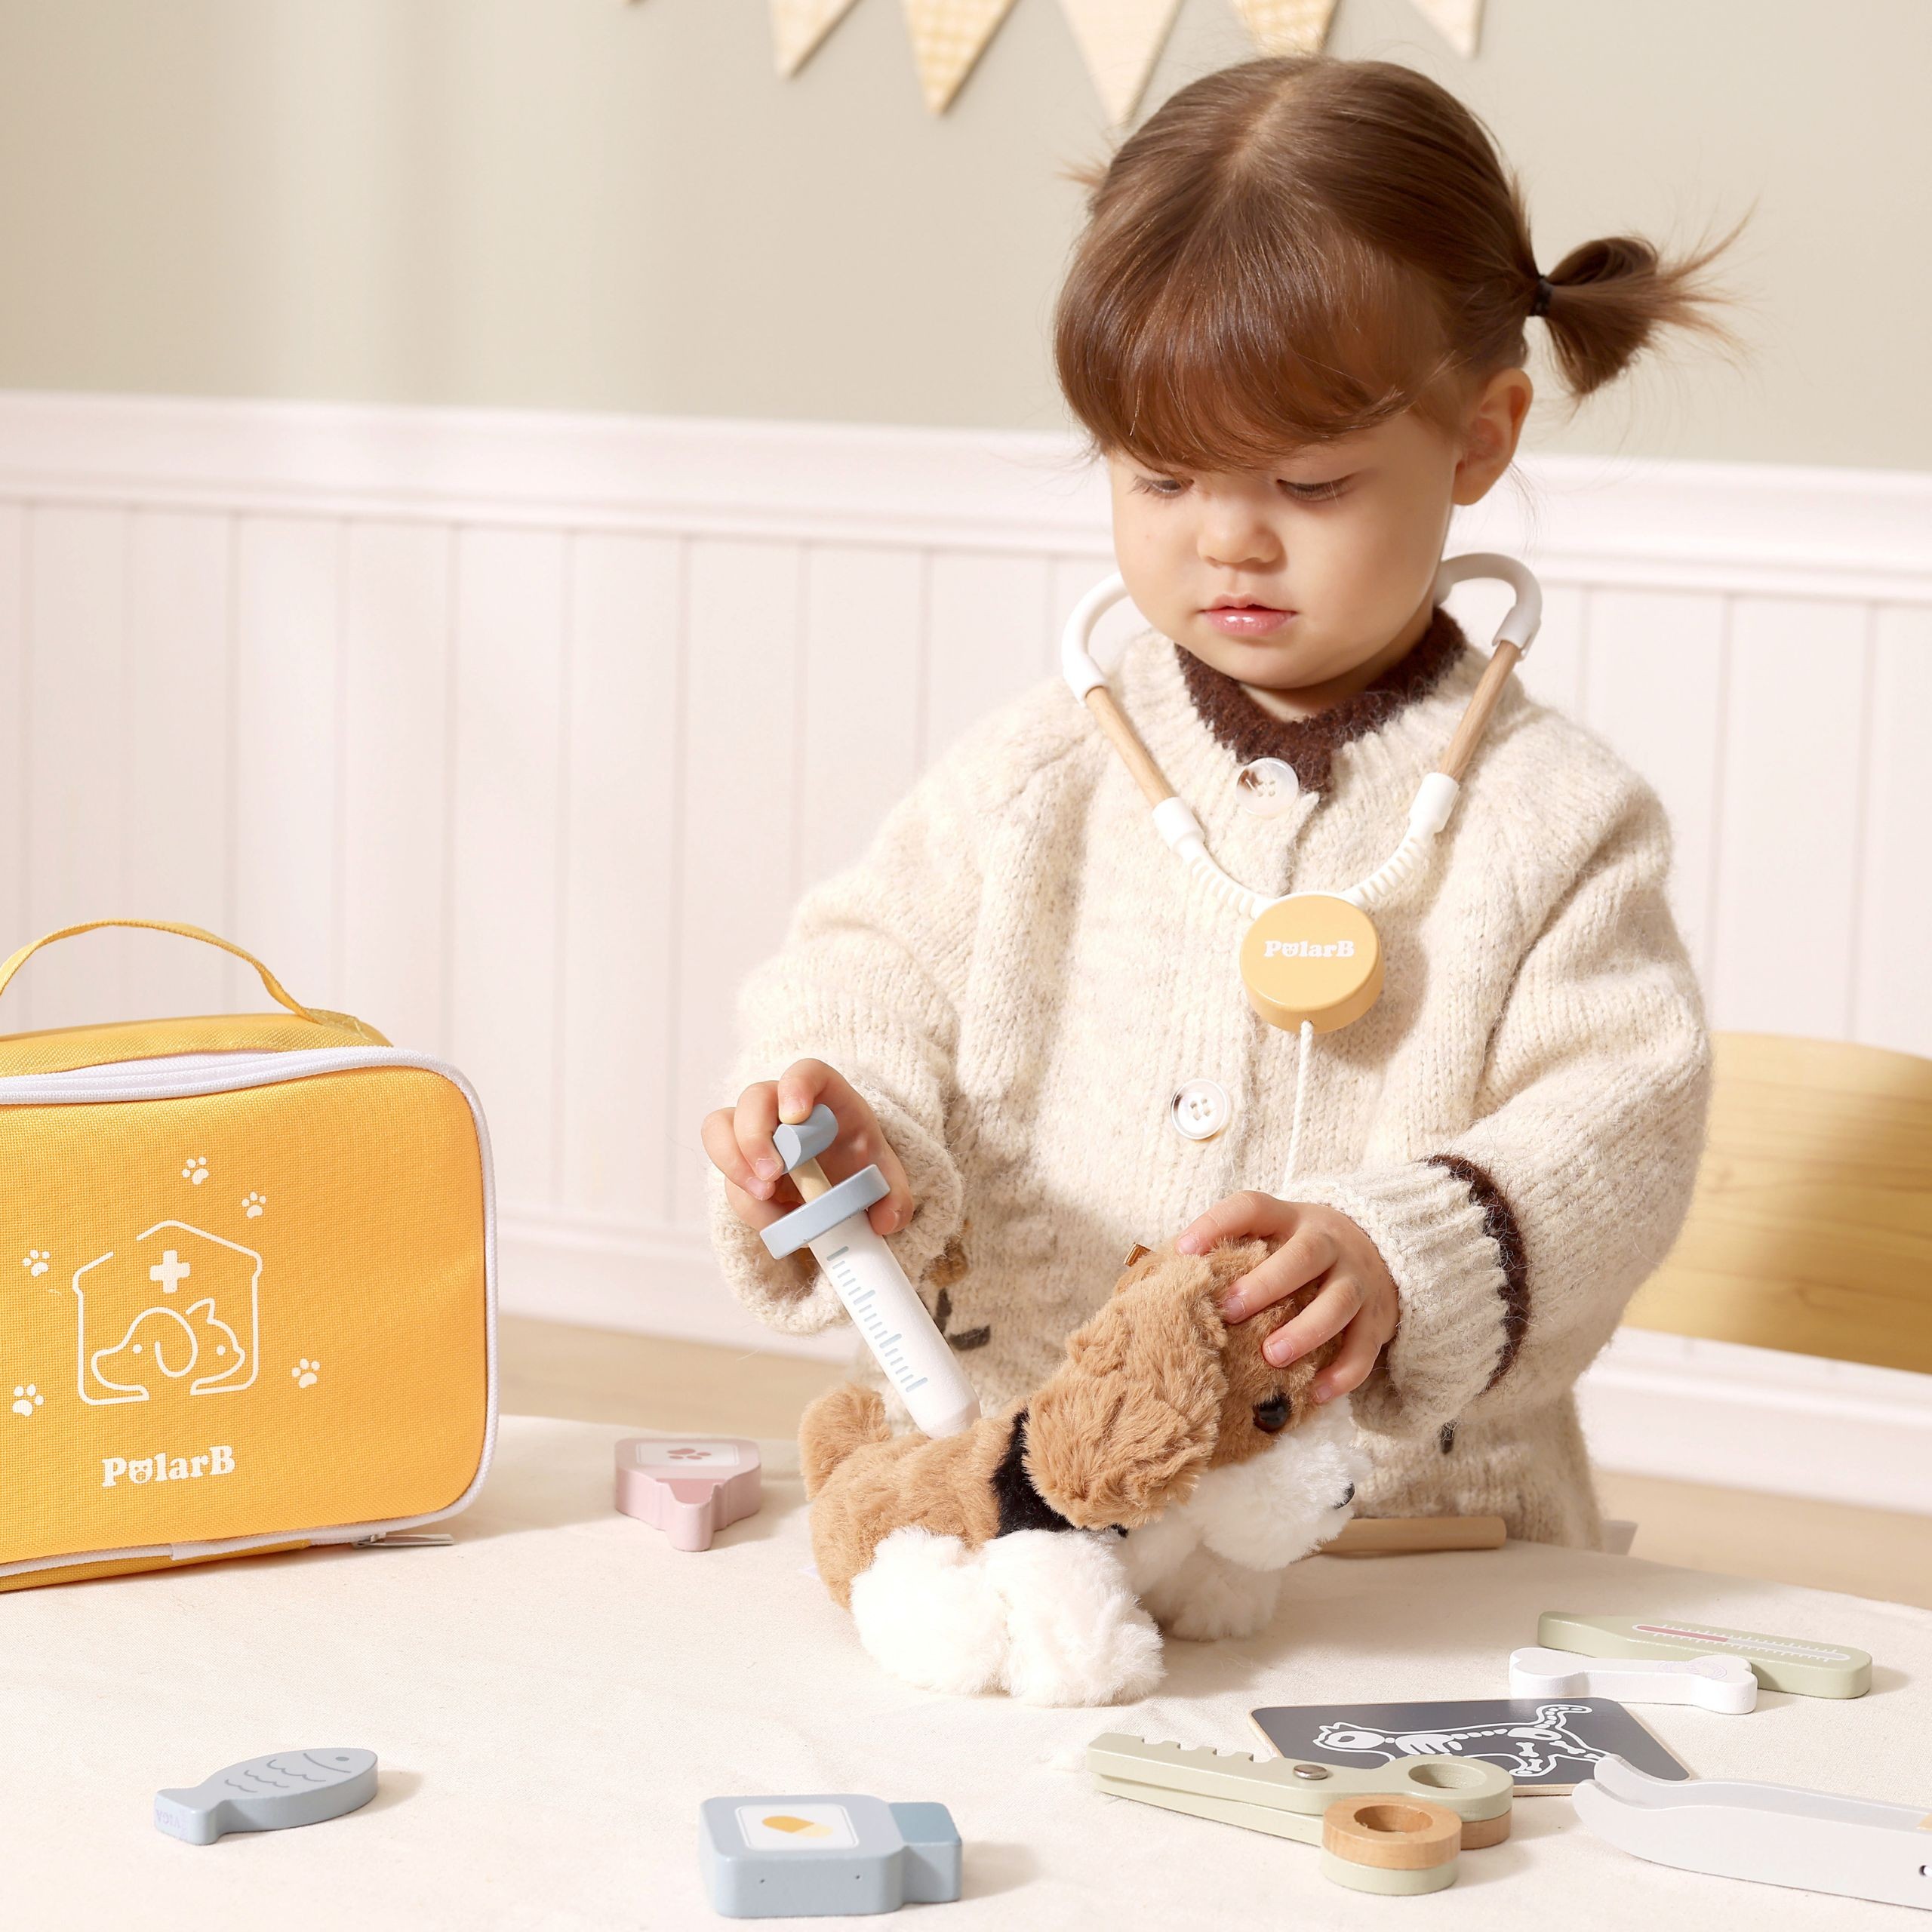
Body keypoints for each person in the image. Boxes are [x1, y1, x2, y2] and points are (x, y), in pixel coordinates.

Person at [702, 55, 1730, 1546]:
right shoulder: (1036, 779)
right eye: (1164, 478)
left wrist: (1403, 1252)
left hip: (1410, 1555)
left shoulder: (1557, 823)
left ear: (1477, 439)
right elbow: (865, 967)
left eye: (1308, 485)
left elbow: (1619, 1121)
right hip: (1046, 1524)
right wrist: (845, 1113)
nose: (1229, 540)